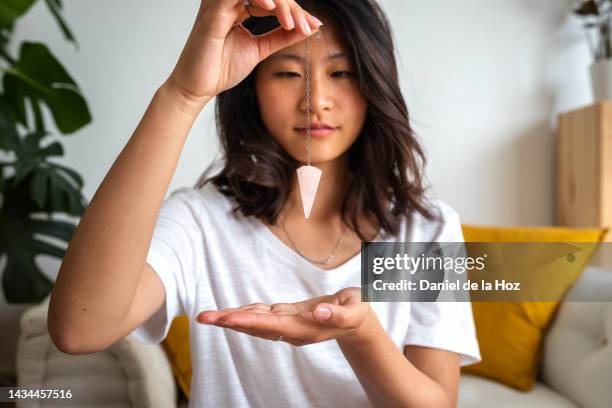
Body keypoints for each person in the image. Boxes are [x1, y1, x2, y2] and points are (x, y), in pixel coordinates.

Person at [48, 0, 481, 406]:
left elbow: (437, 402)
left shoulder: (426, 230)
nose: (315, 100)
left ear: (374, 81)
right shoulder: (202, 221)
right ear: (251, 86)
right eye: (287, 74)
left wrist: (361, 334)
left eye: (343, 73)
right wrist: (182, 96)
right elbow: (79, 329)